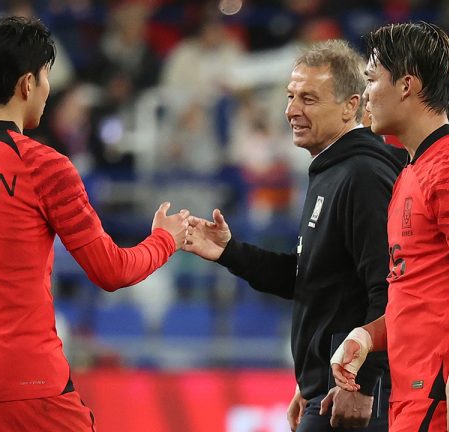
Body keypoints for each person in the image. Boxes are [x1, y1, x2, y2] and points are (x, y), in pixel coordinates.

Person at [0, 17, 189, 431]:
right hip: (30, 389)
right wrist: (165, 239)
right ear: (26, 84)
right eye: (45, 77)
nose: (48, 89)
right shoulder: (43, 166)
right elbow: (111, 270)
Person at [184, 40, 404, 431]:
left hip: (351, 394)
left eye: (308, 99)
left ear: (351, 105)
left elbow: (389, 288)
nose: (291, 111)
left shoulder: (362, 177)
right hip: (328, 386)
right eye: (290, 97)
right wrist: (229, 252)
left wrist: (363, 384)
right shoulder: (333, 170)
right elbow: (312, 279)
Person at [329, 22, 449, 432]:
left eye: (372, 80)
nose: (365, 97)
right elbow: (418, 294)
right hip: (420, 392)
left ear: (407, 85)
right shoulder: (413, 170)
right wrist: (367, 336)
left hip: (445, 394)